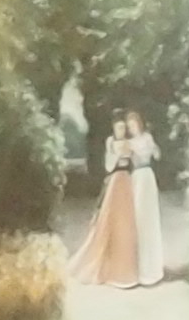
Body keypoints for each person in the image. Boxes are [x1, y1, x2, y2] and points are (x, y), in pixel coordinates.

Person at [67, 112, 158, 289]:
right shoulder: (111, 142)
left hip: (128, 182)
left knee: (127, 226)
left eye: (123, 128)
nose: (121, 130)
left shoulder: (129, 143)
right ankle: (110, 267)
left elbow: (140, 158)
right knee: (111, 222)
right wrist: (118, 154)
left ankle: (128, 269)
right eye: (119, 128)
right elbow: (108, 167)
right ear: (114, 129)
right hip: (116, 181)